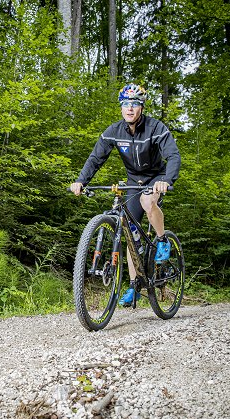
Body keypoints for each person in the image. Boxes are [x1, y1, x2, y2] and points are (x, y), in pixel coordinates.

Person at [70, 83, 181, 307]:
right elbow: (95, 158)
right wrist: (82, 180)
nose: (130, 109)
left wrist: (166, 181)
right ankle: (134, 285)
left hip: (155, 178)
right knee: (130, 233)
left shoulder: (155, 128)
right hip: (133, 181)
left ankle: (162, 241)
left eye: (135, 104)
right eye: (126, 104)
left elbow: (173, 156)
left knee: (147, 201)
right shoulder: (114, 131)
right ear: (121, 108)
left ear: (141, 107)